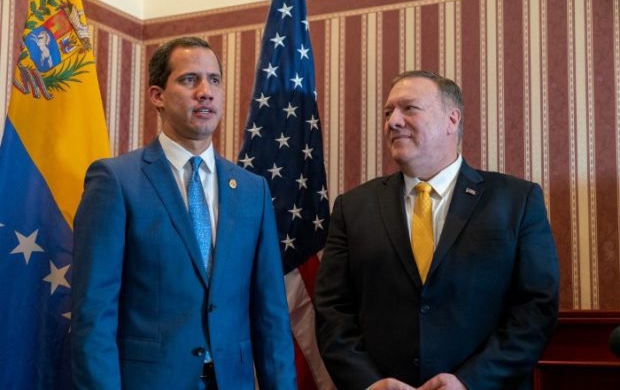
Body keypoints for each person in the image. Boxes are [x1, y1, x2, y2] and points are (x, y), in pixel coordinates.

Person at [72, 37, 297, 390]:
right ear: (157, 95)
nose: (205, 92)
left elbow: (271, 316)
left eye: (214, 80)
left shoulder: (252, 191)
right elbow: (94, 315)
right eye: (190, 79)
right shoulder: (116, 181)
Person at [314, 70, 559, 390]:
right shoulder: (352, 207)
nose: (393, 121)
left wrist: (470, 382)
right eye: (388, 112)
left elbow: (536, 308)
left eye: (409, 108)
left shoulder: (517, 200)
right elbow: (332, 311)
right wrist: (369, 384)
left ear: (451, 120)